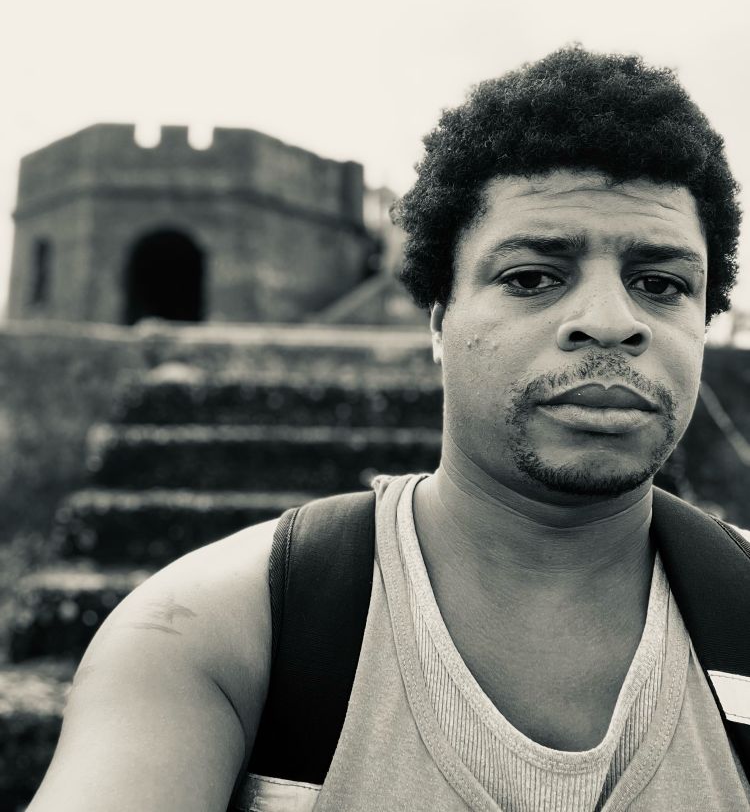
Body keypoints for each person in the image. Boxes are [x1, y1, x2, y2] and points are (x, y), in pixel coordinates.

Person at [29, 45, 750, 811]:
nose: (609, 320)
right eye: (533, 277)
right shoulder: (213, 632)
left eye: (660, 283)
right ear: (439, 321)